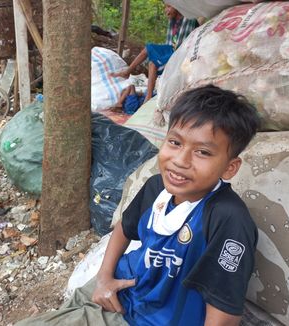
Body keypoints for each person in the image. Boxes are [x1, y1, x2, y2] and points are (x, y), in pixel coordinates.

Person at [15, 85, 260, 326]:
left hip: (146, 318)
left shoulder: (227, 219)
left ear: (230, 167)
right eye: (175, 143)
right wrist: (104, 277)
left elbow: (225, 314)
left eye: (203, 152)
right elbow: (124, 229)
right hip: (123, 289)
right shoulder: (156, 188)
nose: (180, 161)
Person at [111, 4, 198, 103]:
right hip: (170, 51)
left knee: (151, 55)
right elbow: (169, 43)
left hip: (181, 52)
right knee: (150, 55)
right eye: (165, 7)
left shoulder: (189, 19)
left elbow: (196, 13)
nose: (166, 10)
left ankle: (145, 94)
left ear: (177, 6)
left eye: (169, 7)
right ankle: (135, 81)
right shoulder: (172, 22)